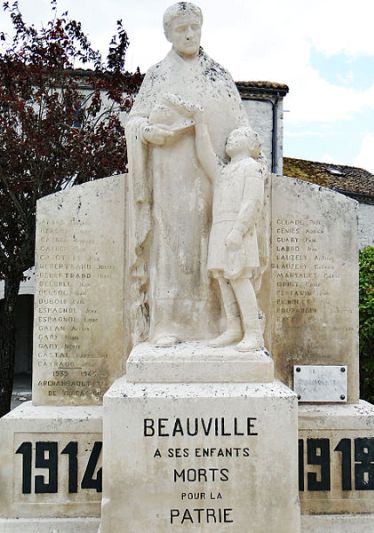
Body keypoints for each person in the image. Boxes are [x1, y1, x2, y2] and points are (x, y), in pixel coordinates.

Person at [125, 2, 248, 347]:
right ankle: (167, 324)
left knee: (215, 243)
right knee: (172, 245)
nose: (190, 34)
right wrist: (149, 132)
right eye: (182, 29)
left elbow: (241, 125)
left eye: (194, 27)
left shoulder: (219, 75)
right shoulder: (158, 75)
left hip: (213, 176)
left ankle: (223, 323)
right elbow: (135, 120)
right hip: (171, 173)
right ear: (168, 34)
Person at [192, 110, 266, 351]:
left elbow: (252, 202)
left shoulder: (251, 168)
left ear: (252, 144)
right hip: (220, 228)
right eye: (229, 137)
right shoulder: (224, 171)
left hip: (239, 230)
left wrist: (238, 230)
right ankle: (233, 328)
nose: (230, 140)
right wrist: (200, 123)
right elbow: (204, 154)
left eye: (238, 136)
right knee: (223, 279)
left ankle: (253, 333)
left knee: (239, 278)